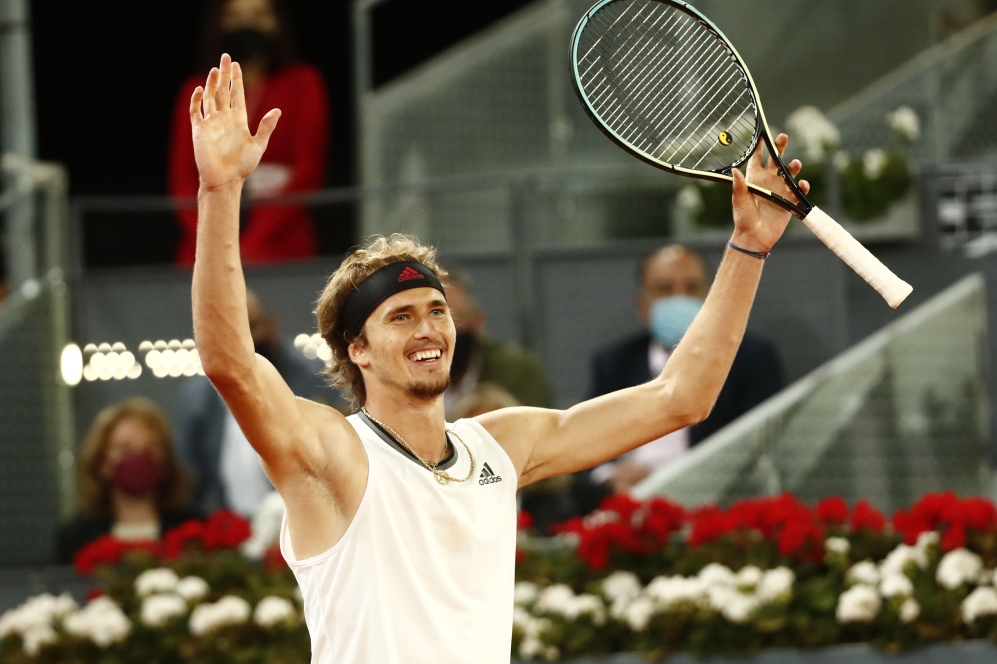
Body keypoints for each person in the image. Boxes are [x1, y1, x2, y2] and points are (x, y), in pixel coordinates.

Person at [187, 54, 808, 662]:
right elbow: (229, 361)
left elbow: (681, 397)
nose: (428, 328)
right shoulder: (332, 453)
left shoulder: (501, 444)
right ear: (358, 350)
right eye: (400, 317)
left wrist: (747, 247)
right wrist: (220, 191)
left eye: (436, 310)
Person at [584, 245, 784, 497]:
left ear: (714, 297)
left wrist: (663, 477)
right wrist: (611, 477)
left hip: (713, 502)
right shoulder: (615, 362)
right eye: (664, 289)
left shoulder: (749, 359)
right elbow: (581, 447)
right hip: (631, 504)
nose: (679, 299)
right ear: (643, 306)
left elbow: (758, 449)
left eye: (691, 287)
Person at [169, 0, 329, 266]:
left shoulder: (303, 84)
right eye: (236, 16)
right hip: (207, 254)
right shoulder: (196, 91)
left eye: (259, 15)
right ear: (219, 23)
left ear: (277, 22)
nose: (247, 25)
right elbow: (183, 185)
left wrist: (251, 245)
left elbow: (307, 173)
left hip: (283, 252)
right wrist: (217, 239)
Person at [174, 288, 344, 517]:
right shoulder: (196, 398)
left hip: (305, 521)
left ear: (271, 325)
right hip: (226, 530)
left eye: (249, 326)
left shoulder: (315, 381)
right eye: (229, 329)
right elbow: (192, 477)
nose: (242, 339)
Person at [56, 398, 200, 564]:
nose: (138, 457)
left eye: (150, 448)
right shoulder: (76, 537)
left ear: (165, 461)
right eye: (124, 449)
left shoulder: (194, 530)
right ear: (101, 462)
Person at [442, 269, 554, 418]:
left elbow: (541, 432)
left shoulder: (518, 373)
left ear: (478, 319)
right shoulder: (405, 377)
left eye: (456, 321)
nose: (445, 334)